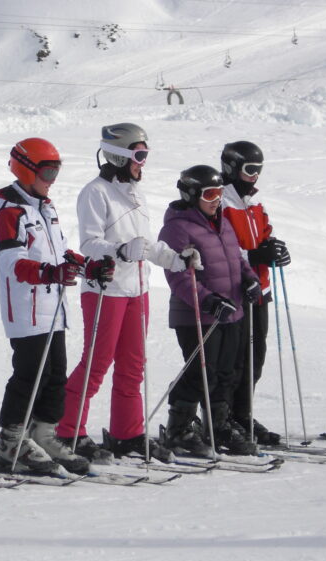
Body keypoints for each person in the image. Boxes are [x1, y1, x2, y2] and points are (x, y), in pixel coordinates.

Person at [55, 123, 200, 464]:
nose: (143, 162)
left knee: (133, 365)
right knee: (97, 362)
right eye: (139, 155)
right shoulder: (95, 192)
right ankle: (67, 430)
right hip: (106, 289)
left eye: (145, 155)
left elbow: (144, 246)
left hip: (138, 288)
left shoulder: (136, 193)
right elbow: (89, 244)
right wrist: (120, 251)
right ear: (119, 155)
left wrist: (177, 260)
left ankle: (128, 433)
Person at [0, 137, 104, 476]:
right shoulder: (10, 210)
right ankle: (12, 440)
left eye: (57, 171)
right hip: (25, 309)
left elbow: (61, 252)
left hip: (53, 309)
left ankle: (44, 434)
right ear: (26, 168)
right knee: (29, 376)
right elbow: (12, 261)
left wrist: (86, 265)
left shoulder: (45, 207)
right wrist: (51, 273)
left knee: (54, 376)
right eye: (48, 171)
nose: (52, 178)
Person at [157, 165, 261, 457]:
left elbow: (236, 259)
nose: (217, 199)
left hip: (231, 311)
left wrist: (250, 280)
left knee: (227, 373)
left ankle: (217, 426)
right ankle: (178, 429)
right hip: (197, 315)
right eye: (210, 193)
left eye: (219, 193)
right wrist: (208, 300)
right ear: (191, 194)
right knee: (202, 373)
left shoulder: (222, 221)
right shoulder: (177, 228)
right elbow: (177, 277)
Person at [219, 141, 290, 446]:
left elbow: (263, 236)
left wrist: (274, 251)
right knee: (233, 359)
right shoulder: (220, 201)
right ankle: (224, 418)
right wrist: (255, 257)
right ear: (231, 168)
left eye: (258, 171)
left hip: (259, 290)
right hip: (235, 291)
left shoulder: (253, 204)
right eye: (249, 170)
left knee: (255, 358)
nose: (254, 178)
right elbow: (220, 249)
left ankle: (243, 414)